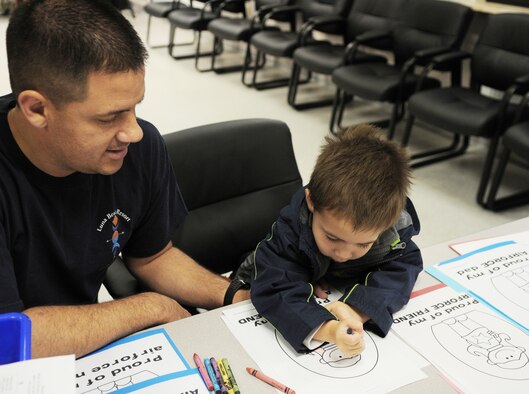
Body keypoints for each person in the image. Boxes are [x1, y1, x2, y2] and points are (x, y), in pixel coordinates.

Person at [0, 0, 248, 359]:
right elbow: (8, 340)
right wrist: (152, 307)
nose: (132, 132)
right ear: (37, 109)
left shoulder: (137, 149)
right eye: (108, 118)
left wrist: (237, 296)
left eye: (135, 107)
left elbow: (153, 258)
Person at [233, 125, 423, 356]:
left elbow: (403, 266)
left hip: (327, 282)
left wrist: (356, 309)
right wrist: (329, 328)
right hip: (250, 276)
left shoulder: (392, 229)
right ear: (311, 201)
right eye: (333, 237)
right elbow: (275, 287)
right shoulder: (289, 231)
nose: (343, 254)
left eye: (363, 244)